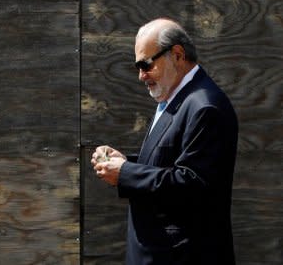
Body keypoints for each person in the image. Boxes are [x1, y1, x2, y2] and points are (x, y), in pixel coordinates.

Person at [91, 18, 238, 265]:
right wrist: (124, 163)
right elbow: (170, 161)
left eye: (146, 64)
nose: (141, 76)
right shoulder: (177, 97)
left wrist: (126, 173)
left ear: (177, 55)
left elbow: (192, 185)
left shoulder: (205, 106)